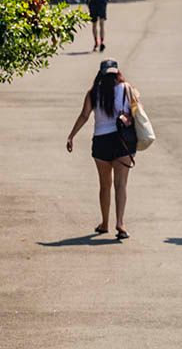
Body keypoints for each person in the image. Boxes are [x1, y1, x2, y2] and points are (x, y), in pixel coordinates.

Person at [65, 59, 139, 240]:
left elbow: (84, 116)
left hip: (101, 142)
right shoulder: (127, 89)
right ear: (117, 73)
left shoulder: (93, 93)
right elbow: (138, 109)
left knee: (104, 185)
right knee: (121, 184)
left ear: (100, 74)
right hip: (123, 141)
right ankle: (120, 223)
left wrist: (71, 135)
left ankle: (105, 223)